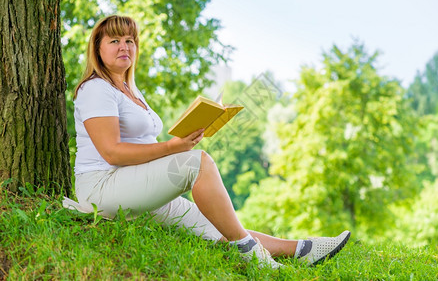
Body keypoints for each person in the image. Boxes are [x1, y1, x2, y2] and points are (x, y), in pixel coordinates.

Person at [62, 14, 350, 269]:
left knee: (219, 225)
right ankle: (254, 257)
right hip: (103, 189)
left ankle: (302, 249)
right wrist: (173, 147)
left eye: (130, 40)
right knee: (199, 162)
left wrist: (190, 132)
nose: (124, 46)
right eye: (114, 40)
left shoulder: (131, 91)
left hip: (133, 184)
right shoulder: (96, 89)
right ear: (98, 49)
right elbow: (111, 152)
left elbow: (142, 145)